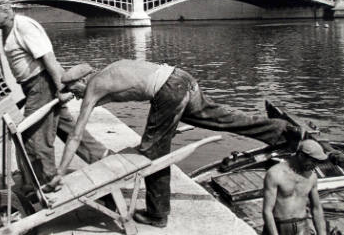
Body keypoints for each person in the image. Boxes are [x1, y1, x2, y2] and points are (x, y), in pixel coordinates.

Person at [47, 59, 303, 228]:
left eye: (74, 90)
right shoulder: (108, 71)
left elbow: (76, 134)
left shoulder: (94, 85)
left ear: (82, 81)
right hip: (182, 78)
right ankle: (281, 132)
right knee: (221, 118)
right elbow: (130, 86)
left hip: (169, 91)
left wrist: (60, 172)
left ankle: (157, 214)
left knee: (152, 153)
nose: (76, 96)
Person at [0, 0, 108, 185]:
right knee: (67, 128)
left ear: (5, 10)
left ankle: (46, 179)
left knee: (34, 136)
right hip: (33, 86)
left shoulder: (23, 26)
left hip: (41, 84)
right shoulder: (8, 28)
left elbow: (48, 58)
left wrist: (60, 88)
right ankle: (103, 158)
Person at [263, 139, 327, 235]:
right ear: (301, 156)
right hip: (279, 227)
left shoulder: (312, 177)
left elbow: (316, 208)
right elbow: (267, 211)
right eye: (313, 161)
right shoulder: (275, 174)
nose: (315, 166)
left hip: (302, 226)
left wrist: (322, 233)